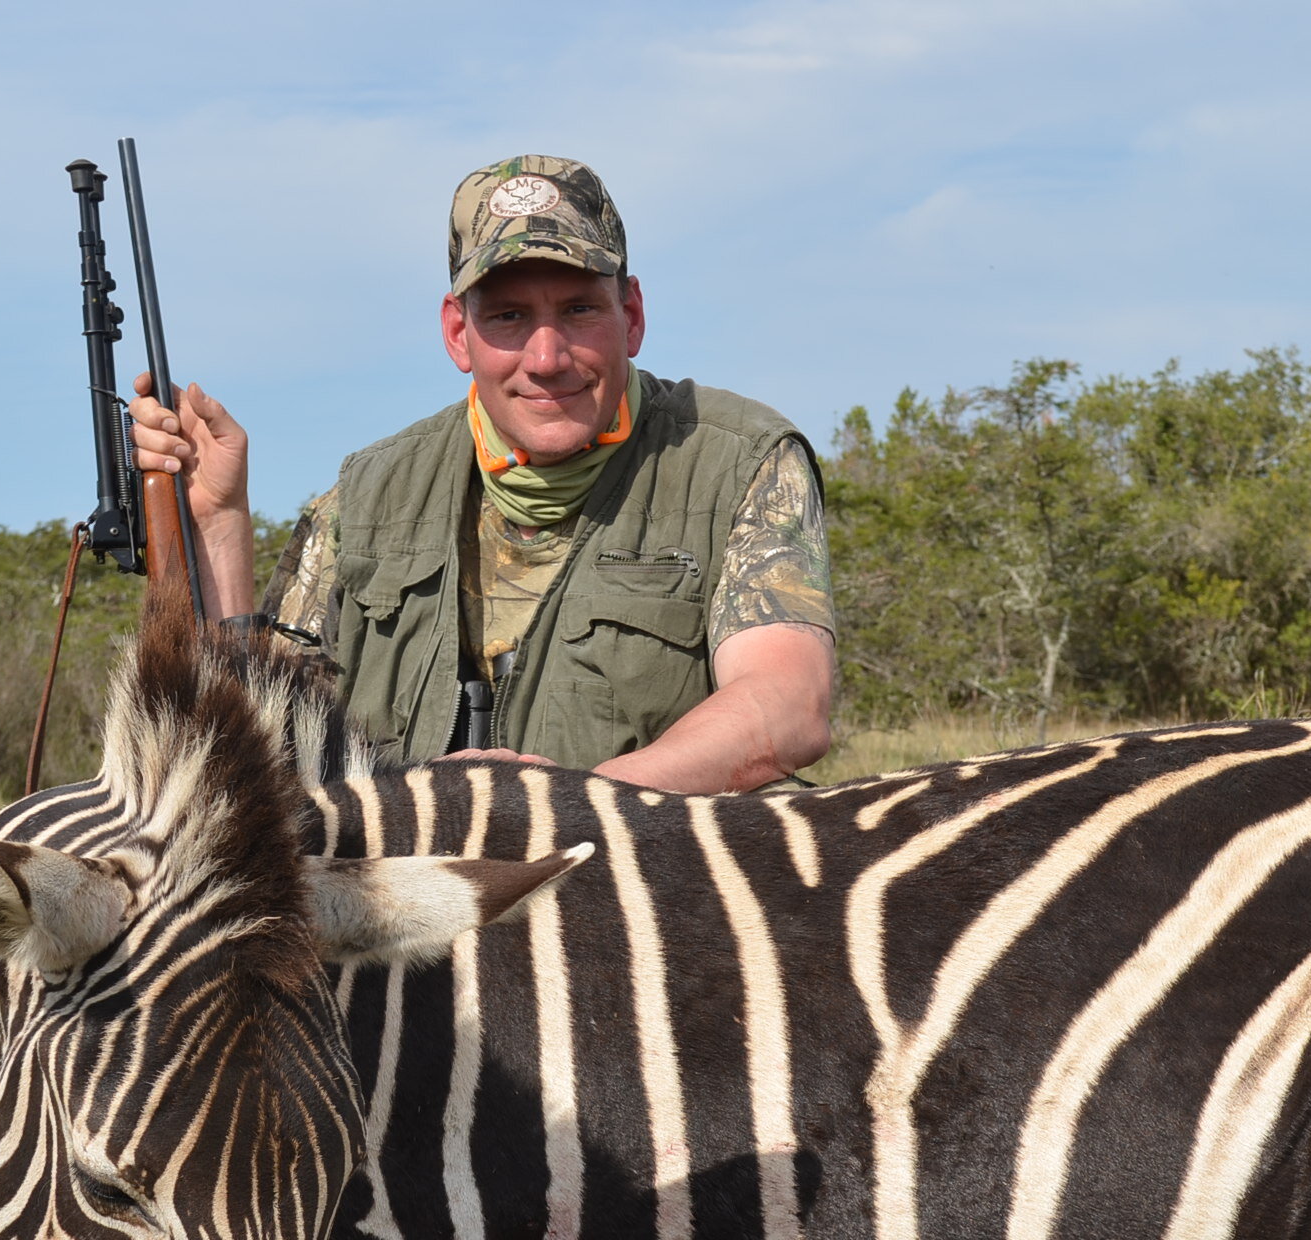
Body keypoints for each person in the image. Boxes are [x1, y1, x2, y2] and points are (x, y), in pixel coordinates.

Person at [128, 155, 835, 794]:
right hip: (408, 906)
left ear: (633, 315)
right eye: (508, 317)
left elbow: (786, 703)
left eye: (580, 309)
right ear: (458, 335)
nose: (547, 355)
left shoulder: (741, 462)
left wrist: (571, 805)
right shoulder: (369, 494)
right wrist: (221, 522)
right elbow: (260, 745)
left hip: (638, 897)